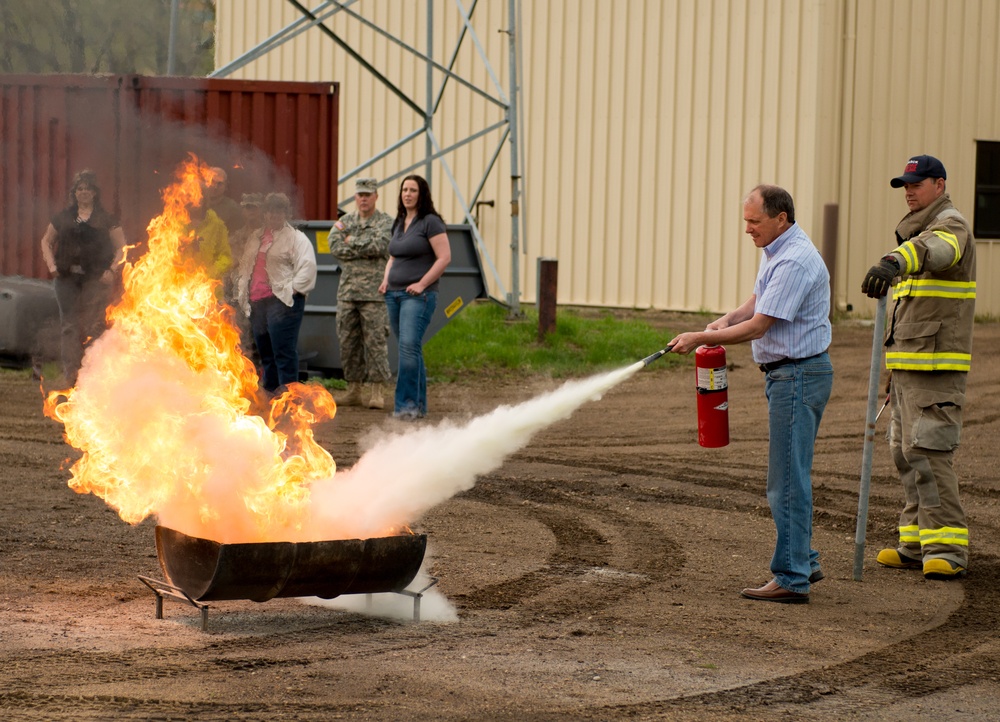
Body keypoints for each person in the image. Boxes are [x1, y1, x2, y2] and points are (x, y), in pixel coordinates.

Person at [668, 185, 833, 604]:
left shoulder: (794, 259)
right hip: (789, 375)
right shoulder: (780, 250)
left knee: (786, 481)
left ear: (781, 218)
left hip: (796, 376)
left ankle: (792, 576)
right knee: (790, 474)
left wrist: (702, 337)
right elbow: (757, 301)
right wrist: (718, 324)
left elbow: (760, 325)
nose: (748, 229)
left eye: (754, 221)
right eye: (746, 221)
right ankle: (805, 560)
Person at [861, 155, 975, 580]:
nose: (909, 191)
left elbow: (939, 253)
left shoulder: (950, 225)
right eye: (905, 185)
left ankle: (947, 548)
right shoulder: (918, 231)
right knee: (905, 455)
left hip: (937, 367)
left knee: (928, 454)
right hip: (909, 368)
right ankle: (915, 543)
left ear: (939, 184)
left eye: (916, 183)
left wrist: (895, 259)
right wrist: (894, 374)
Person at [39, 169, 126, 384]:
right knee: (69, 326)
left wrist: (112, 270)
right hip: (67, 279)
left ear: (95, 193)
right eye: (80, 189)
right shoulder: (63, 217)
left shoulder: (106, 219)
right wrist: (51, 265)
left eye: (88, 189)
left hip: (95, 280)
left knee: (94, 325)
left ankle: (92, 376)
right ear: (74, 193)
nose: (84, 192)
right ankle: (72, 376)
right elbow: (46, 241)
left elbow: (122, 247)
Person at [378, 175, 451, 420]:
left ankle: (405, 407)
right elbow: (393, 257)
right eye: (404, 190)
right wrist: (386, 279)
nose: (407, 194)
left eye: (413, 190)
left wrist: (421, 283)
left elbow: (444, 258)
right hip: (394, 295)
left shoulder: (430, 222)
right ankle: (416, 406)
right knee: (410, 349)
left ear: (422, 194)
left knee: (408, 348)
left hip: (418, 297)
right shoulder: (399, 222)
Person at [235, 193, 317, 393]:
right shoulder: (256, 237)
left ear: (286, 213)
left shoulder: (297, 238)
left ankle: (289, 399)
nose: (274, 215)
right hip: (257, 302)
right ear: (265, 214)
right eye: (271, 211)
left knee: (283, 352)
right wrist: (242, 292)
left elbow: (307, 267)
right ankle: (271, 396)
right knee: (266, 353)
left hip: (283, 302)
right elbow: (246, 265)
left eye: (279, 211)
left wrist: (292, 290)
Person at [330, 177, 394, 409]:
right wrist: (361, 245)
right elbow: (334, 246)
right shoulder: (344, 221)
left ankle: (377, 392)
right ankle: (354, 390)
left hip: (374, 294)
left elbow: (381, 245)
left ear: (376, 196)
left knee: (375, 342)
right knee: (348, 342)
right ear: (355, 197)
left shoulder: (385, 222)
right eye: (360, 195)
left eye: (368, 194)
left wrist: (351, 241)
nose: (364, 198)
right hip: (347, 293)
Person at [204, 167, 244, 234]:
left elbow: (235, 235)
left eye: (219, 184)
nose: (215, 187)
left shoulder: (232, 208)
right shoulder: (195, 204)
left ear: (226, 186)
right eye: (212, 182)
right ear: (206, 183)